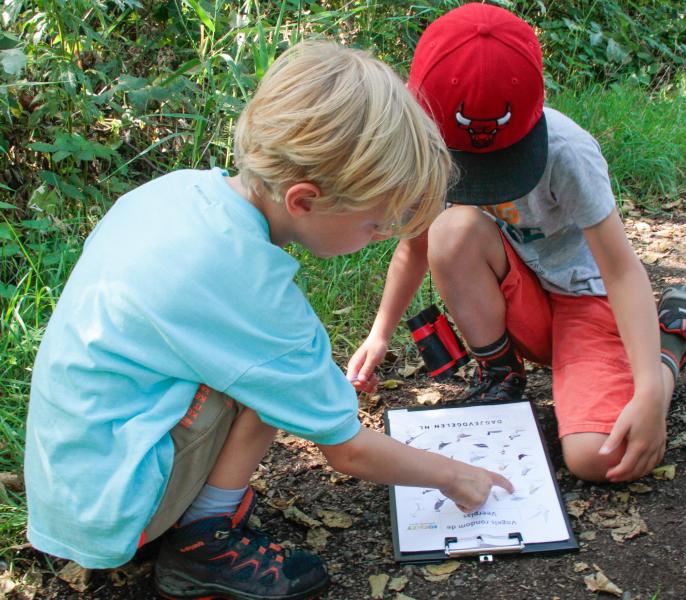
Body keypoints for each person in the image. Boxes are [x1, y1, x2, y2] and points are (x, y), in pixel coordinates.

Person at [24, 41, 513, 600]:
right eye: (375, 224)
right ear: (304, 199)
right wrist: (457, 475)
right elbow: (346, 448)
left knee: (276, 368)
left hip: (76, 473)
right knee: (278, 373)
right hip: (112, 510)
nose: (380, 238)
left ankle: (195, 509)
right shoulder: (248, 288)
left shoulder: (177, 192)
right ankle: (203, 541)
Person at [347, 3, 686, 485]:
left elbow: (620, 271)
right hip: (523, 299)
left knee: (599, 458)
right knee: (451, 230)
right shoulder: (425, 146)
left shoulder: (566, 151)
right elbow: (416, 245)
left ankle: (666, 346)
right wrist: (380, 333)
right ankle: (501, 377)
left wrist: (648, 393)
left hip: (588, 299)